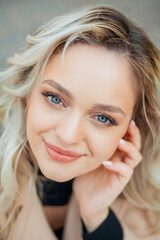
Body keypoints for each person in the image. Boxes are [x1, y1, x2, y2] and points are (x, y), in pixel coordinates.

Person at [0, 5, 160, 240]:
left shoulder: (148, 214)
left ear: (130, 130)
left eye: (103, 118)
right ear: (27, 91)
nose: (68, 135)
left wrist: (97, 218)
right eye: (55, 99)